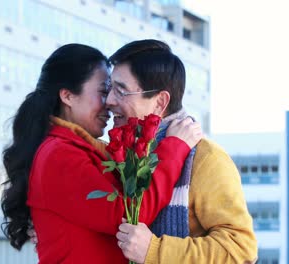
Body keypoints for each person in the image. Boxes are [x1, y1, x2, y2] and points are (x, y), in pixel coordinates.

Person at [0, 43, 203, 263]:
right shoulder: (58, 155)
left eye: (117, 91)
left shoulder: (83, 150)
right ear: (68, 96)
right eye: (104, 91)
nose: (109, 102)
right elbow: (128, 218)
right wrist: (175, 147)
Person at [105, 39, 258, 263]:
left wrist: (154, 250)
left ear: (160, 102)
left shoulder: (205, 158)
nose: (109, 101)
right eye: (110, 89)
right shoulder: (120, 155)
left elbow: (241, 250)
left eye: (121, 91)